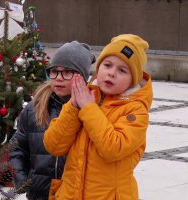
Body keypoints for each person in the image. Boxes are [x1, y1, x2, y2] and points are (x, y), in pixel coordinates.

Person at [43, 34, 153, 200]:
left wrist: (88, 108)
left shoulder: (136, 111)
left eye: (122, 70)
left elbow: (113, 148)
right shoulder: (86, 95)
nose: (112, 73)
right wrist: (73, 108)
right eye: (107, 65)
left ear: (133, 79)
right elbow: (54, 145)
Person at [9, 41, 96, 200]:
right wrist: (22, 179)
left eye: (67, 72)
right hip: (40, 193)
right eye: (54, 71)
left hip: (75, 193)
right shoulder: (35, 108)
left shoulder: (91, 110)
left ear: (82, 77)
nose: (58, 78)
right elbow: (17, 147)